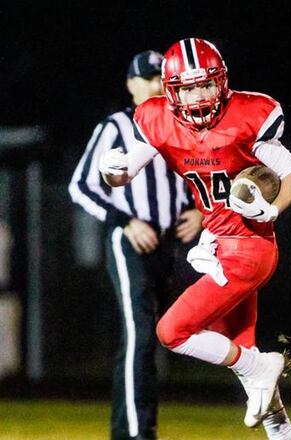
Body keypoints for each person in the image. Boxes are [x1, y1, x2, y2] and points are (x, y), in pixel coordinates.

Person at [98, 38, 291, 440]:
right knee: (246, 356)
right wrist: (112, 170)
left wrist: (273, 209)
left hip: (248, 248)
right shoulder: (158, 120)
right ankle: (284, 433)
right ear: (171, 91)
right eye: (189, 89)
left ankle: (261, 369)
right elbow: (124, 175)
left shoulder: (247, 116)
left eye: (207, 85)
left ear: (221, 82)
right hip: (220, 243)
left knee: (171, 332)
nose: (199, 97)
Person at [69, 50, 204, 440]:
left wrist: (199, 212)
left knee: (152, 338)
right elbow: (81, 185)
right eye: (148, 78)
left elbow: (201, 176)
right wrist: (125, 221)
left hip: (168, 243)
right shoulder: (117, 126)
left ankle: (139, 428)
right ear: (131, 84)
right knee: (141, 332)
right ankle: (134, 433)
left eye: (162, 78)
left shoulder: (181, 124)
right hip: (129, 241)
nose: (157, 85)